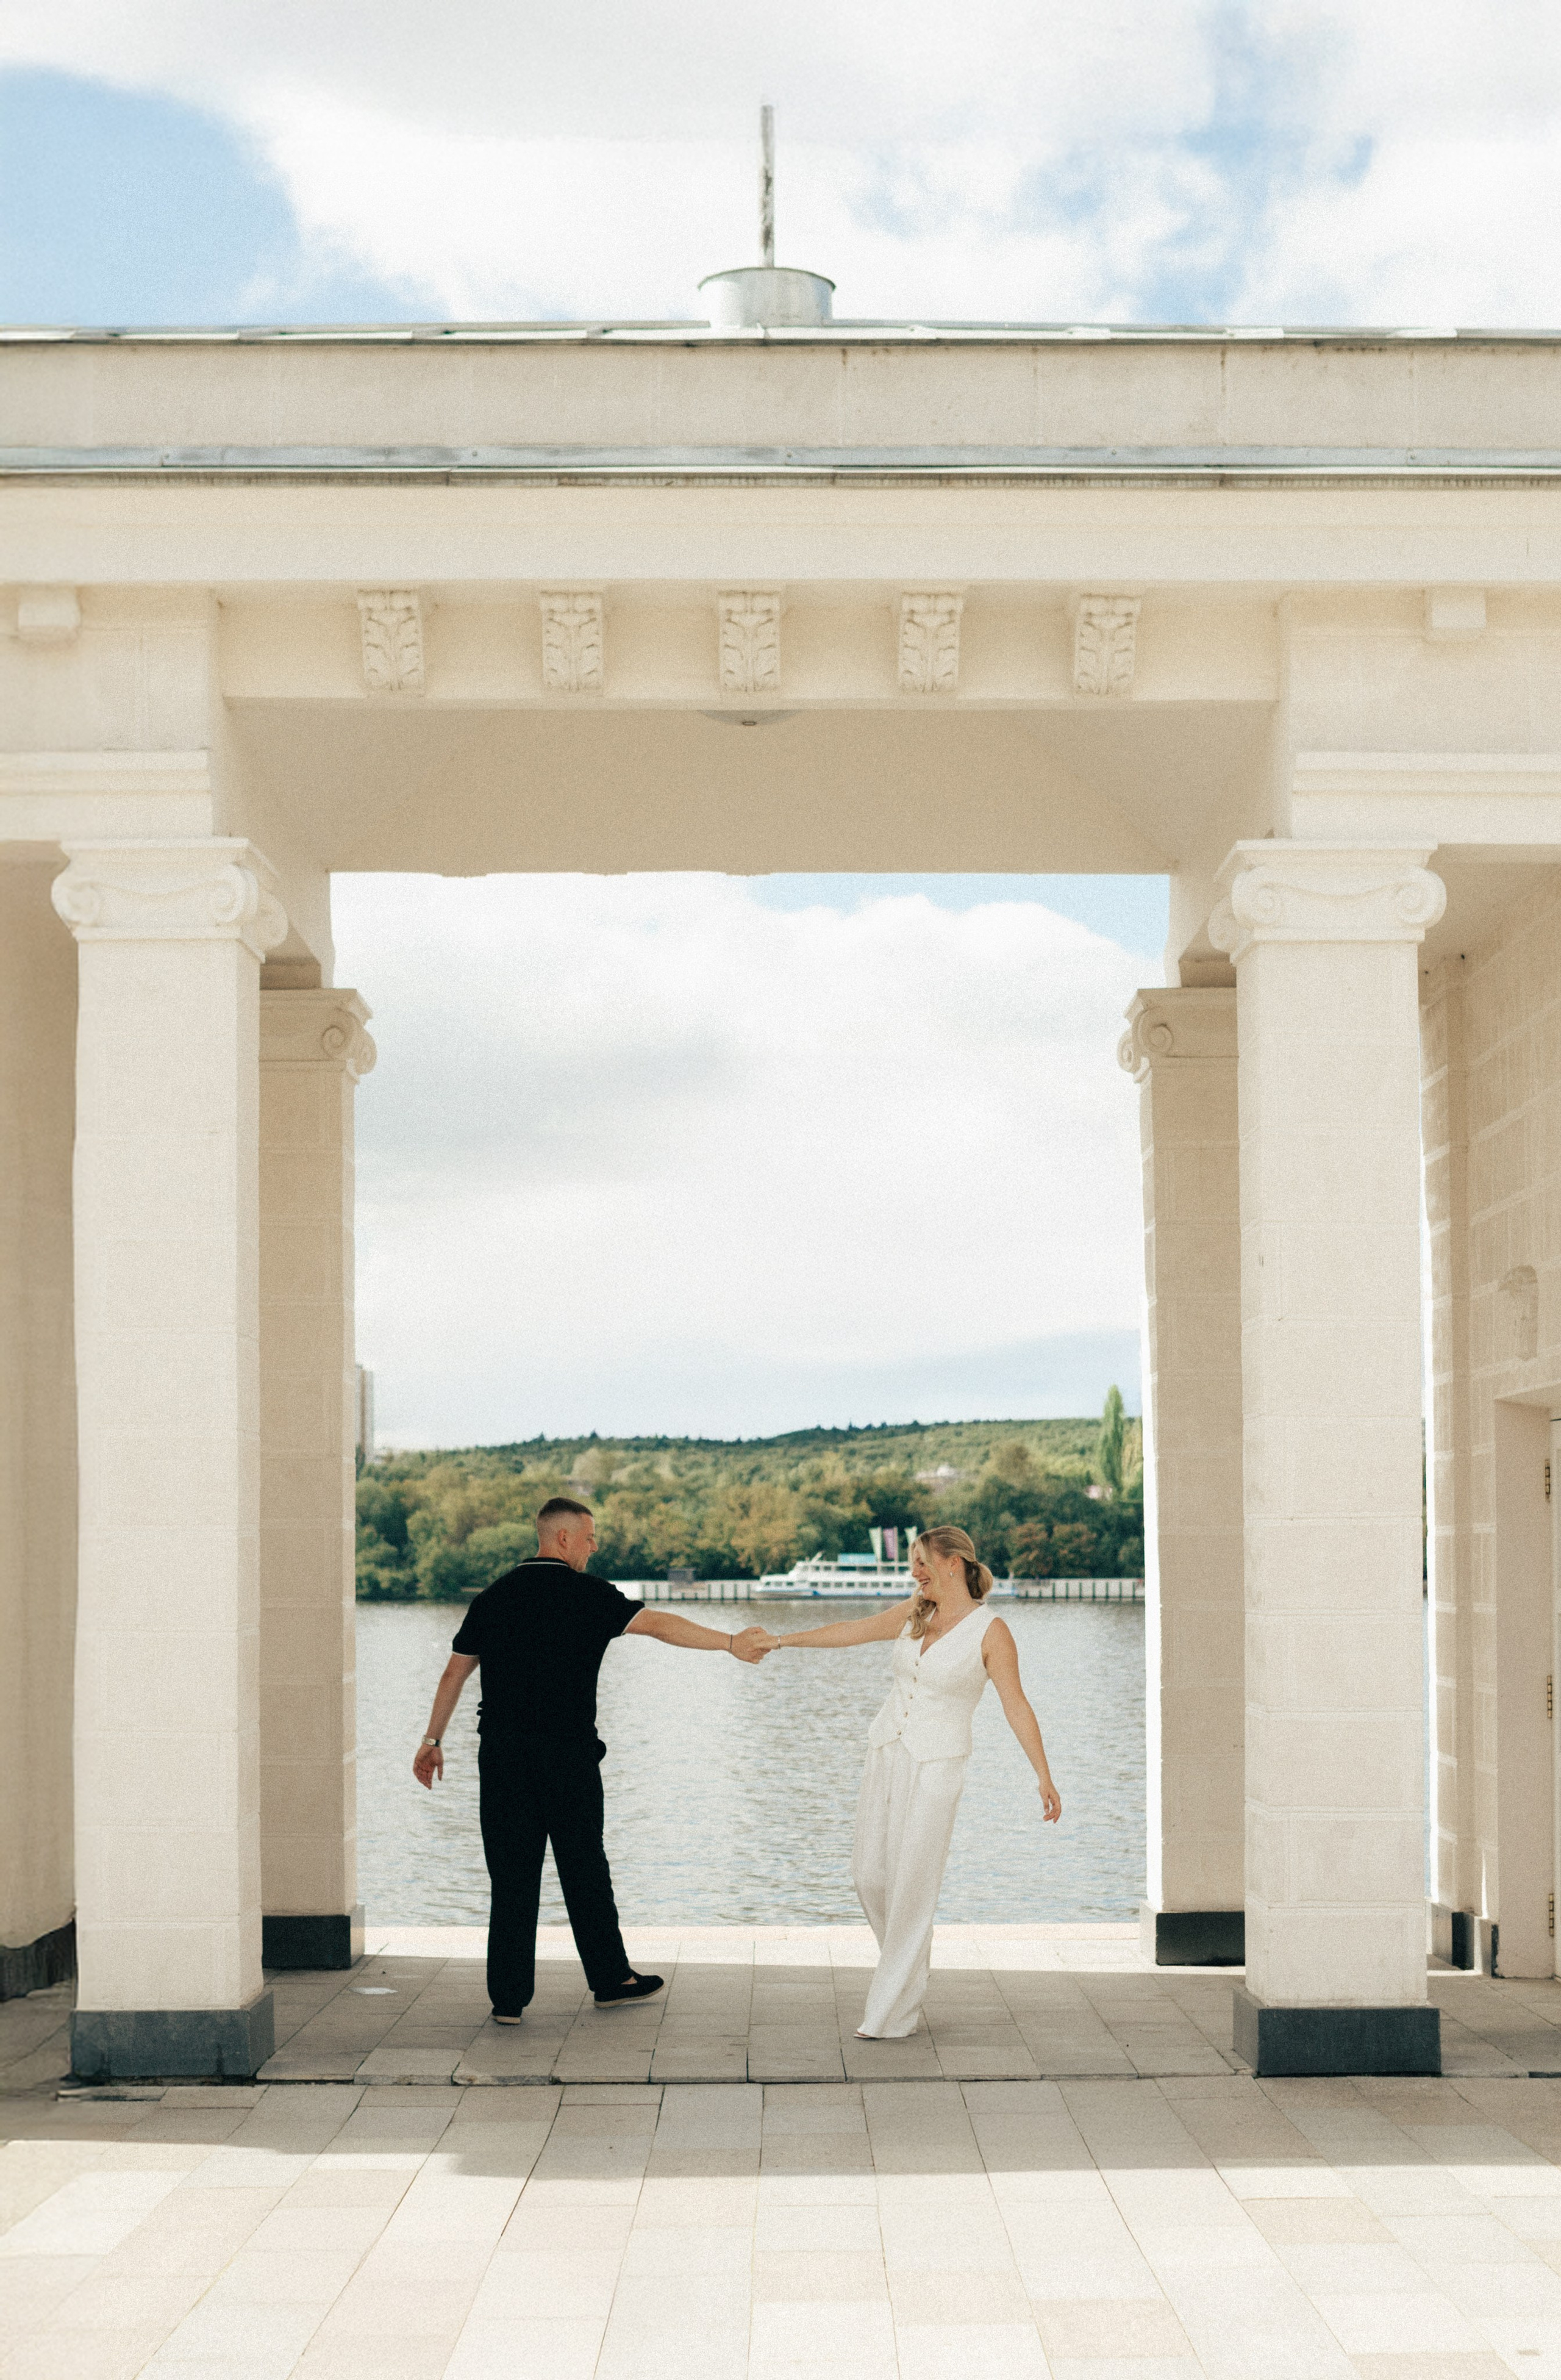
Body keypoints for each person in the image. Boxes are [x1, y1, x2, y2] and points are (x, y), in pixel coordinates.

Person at [413, 1495, 771, 2022]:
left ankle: (508, 2000)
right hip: (568, 1759)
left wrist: (433, 1742)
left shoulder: (492, 1598)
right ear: (563, 1538)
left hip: (504, 1761)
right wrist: (730, 1642)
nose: (594, 1546)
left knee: (511, 1875)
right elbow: (658, 1625)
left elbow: (454, 1674)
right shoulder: (588, 1595)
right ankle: (610, 1979)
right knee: (584, 1867)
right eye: (590, 1536)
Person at [754, 1524, 1061, 2039]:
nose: (914, 1573)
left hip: (939, 1764)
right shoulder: (914, 1613)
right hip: (887, 1752)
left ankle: (890, 2014)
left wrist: (1043, 1775)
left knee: (913, 1887)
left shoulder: (992, 1631)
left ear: (953, 1564)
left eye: (922, 1563)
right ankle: (909, 1967)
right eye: (913, 1563)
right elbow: (851, 1630)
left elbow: (1016, 1704)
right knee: (869, 1875)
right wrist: (783, 1640)